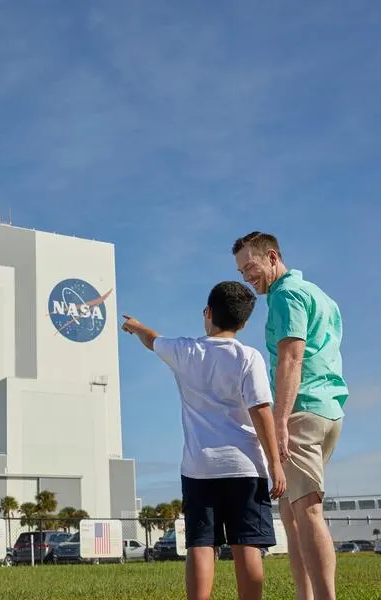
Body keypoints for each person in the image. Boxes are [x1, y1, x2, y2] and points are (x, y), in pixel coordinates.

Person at [121, 281, 285, 600]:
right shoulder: (249, 357)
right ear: (244, 322)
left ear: (208, 313)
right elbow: (261, 412)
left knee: (201, 544)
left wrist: (136, 325)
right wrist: (275, 463)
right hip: (246, 467)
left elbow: (152, 340)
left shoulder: (185, 350)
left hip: (199, 468)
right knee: (247, 544)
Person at [231, 232, 348, 600]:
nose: (247, 276)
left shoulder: (284, 295)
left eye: (250, 266)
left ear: (272, 256)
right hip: (328, 410)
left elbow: (291, 358)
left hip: (301, 412)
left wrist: (279, 422)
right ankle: (304, 594)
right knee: (292, 513)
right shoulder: (318, 295)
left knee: (307, 512)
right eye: (241, 270)